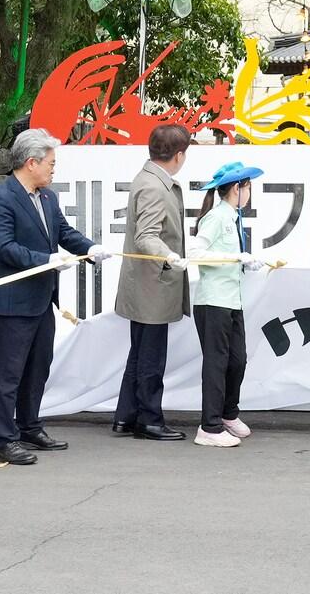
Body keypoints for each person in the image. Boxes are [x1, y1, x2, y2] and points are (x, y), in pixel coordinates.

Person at [0, 129, 108, 465]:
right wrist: (47, 260)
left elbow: (64, 232)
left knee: (38, 369)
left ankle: (30, 427)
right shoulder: (1, 198)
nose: (54, 169)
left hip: (42, 301)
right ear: (31, 162)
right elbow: (3, 248)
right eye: (50, 163)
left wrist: (91, 248)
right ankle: (5, 439)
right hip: (11, 303)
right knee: (8, 375)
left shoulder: (48, 198)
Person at [113, 125, 193, 441]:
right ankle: (149, 419)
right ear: (179, 155)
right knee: (151, 357)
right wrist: (169, 256)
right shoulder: (154, 186)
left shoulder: (150, 179)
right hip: (153, 285)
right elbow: (146, 236)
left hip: (148, 283)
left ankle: (126, 416)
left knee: (140, 352)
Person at [187, 161, 269, 447]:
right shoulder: (216, 217)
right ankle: (209, 427)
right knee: (217, 363)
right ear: (237, 188)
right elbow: (194, 253)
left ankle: (228, 414)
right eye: (248, 187)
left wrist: (246, 261)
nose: (249, 193)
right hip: (213, 302)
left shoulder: (233, 217)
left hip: (231, 300)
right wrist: (235, 258)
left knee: (237, 360)